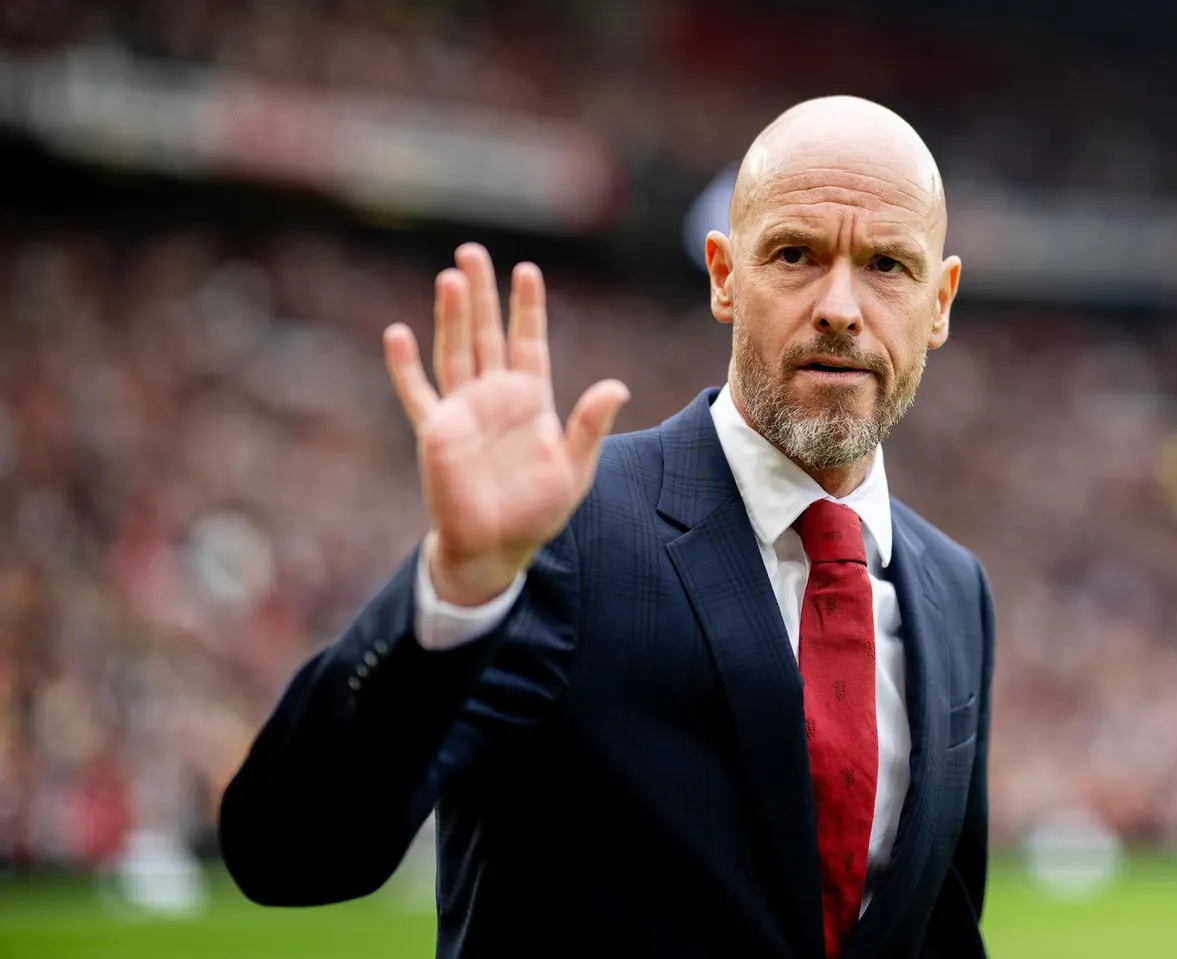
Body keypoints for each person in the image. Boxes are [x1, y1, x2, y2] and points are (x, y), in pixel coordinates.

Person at [219, 95, 995, 959]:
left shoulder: (953, 589)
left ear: (939, 302)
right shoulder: (568, 531)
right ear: (724, 276)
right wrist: (459, 589)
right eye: (795, 255)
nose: (840, 306)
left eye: (887, 264)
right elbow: (288, 850)